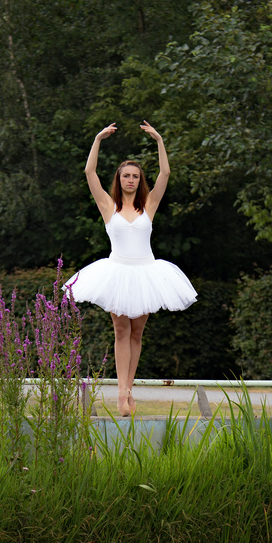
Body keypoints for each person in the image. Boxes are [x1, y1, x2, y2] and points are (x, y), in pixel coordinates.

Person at [63, 121, 197, 417]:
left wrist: (160, 140)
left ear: (139, 180)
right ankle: (122, 394)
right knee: (121, 330)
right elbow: (89, 173)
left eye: (135, 176)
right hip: (117, 273)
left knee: (137, 334)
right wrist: (97, 139)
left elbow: (165, 173)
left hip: (147, 273)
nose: (131, 180)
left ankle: (129, 389)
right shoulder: (108, 206)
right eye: (126, 175)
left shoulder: (148, 205)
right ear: (119, 178)